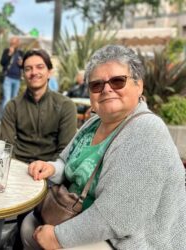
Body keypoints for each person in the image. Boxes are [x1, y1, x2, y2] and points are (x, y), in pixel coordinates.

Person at [21, 44, 186, 250]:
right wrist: (52, 168)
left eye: (118, 81)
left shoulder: (147, 130)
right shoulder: (94, 122)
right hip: (78, 213)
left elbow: (117, 216)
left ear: (139, 85)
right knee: (29, 225)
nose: (107, 89)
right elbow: (67, 161)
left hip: (126, 239)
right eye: (97, 85)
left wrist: (58, 237)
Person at [0, 49, 78, 249]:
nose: (33, 72)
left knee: (34, 215)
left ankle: (17, 239)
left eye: (39, 67)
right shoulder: (12, 106)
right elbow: (7, 148)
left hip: (52, 175)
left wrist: (46, 171)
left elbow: (66, 151)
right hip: (19, 172)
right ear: (22, 74)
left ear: (49, 72)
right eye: (28, 68)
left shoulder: (65, 106)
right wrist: (21, 174)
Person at [0, 36, 24, 115]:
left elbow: (23, 66)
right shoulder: (6, 51)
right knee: (7, 99)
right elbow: (2, 63)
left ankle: (11, 119)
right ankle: (3, 119)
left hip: (17, 79)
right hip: (8, 78)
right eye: (12, 42)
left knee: (14, 100)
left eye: (15, 43)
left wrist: (22, 64)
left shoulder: (21, 53)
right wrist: (9, 54)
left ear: (18, 43)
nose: (13, 44)